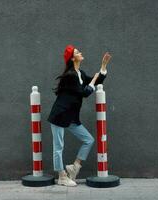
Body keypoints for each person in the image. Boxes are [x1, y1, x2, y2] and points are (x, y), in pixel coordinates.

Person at [47, 45, 111, 186]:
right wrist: (93, 81)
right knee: (58, 147)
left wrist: (103, 66)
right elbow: (85, 92)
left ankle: (74, 167)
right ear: (72, 58)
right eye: (77, 52)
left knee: (88, 140)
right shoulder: (71, 76)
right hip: (60, 115)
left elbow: (96, 81)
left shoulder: (80, 73)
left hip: (71, 117)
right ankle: (62, 176)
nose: (80, 52)